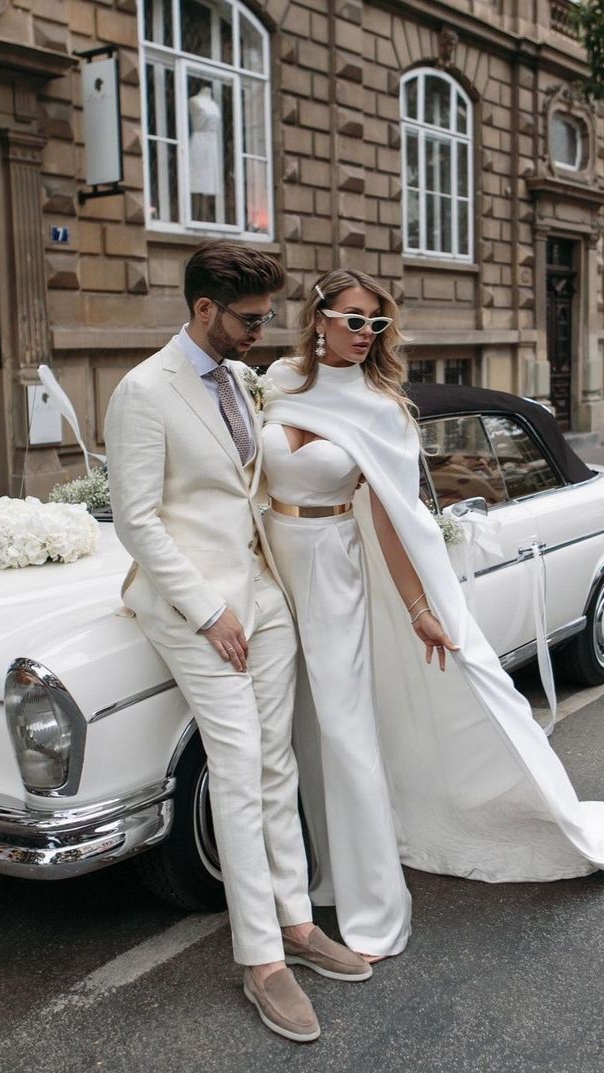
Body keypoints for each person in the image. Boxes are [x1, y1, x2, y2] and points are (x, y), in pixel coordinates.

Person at [261, 268, 604, 962]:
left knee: (347, 735)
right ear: (319, 316)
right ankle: (318, 883)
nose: (366, 334)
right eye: (355, 318)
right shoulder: (276, 381)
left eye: (377, 323)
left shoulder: (380, 406)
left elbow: (393, 512)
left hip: (336, 574)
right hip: (269, 570)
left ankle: (375, 911)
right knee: (296, 733)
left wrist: (420, 607)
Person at [105, 244, 372, 1044]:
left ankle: (295, 918)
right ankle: (260, 960)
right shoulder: (142, 391)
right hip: (195, 608)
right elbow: (135, 518)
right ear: (203, 311)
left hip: (263, 593)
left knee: (276, 760)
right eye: (250, 320)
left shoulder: (242, 377)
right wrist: (206, 607)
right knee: (236, 762)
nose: (261, 332)